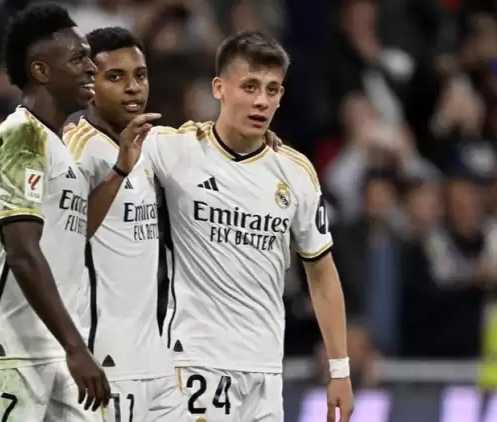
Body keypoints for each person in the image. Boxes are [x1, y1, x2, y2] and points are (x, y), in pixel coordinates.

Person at [0, 4, 156, 421]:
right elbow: (23, 252)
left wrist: (118, 171)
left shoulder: (60, 148)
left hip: (55, 353)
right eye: (78, 59)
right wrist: (76, 347)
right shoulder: (22, 136)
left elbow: (73, 237)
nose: (90, 68)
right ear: (41, 71)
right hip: (6, 356)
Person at [147, 31, 355, 421]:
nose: (262, 100)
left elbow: (322, 273)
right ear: (219, 88)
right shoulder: (174, 150)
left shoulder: (295, 172)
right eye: (250, 86)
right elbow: (108, 140)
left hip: (266, 373)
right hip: (194, 364)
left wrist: (340, 370)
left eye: (272, 89)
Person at [63, 27, 186, 421]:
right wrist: (118, 171)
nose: (133, 87)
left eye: (140, 75)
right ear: (89, 85)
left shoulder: (149, 143)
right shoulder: (76, 149)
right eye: (115, 77)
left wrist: (260, 140)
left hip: (155, 356)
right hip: (105, 359)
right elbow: (63, 238)